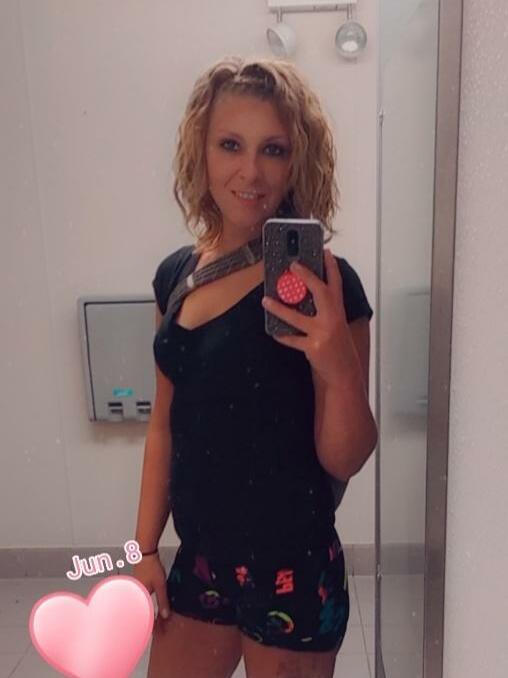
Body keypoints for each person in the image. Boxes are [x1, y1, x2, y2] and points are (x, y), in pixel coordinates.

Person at [133, 55, 377, 678]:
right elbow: (163, 426)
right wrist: (144, 547)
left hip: (294, 568)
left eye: (273, 149)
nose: (250, 171)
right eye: (230, 145)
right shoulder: (175, 277)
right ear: (202, 151)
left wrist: (336, 365)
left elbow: (345, 458)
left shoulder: (329, 283)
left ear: (298, 161)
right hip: (200, 563)